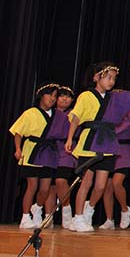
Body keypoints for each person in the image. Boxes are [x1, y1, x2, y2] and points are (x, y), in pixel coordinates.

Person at [65, 63, 130, 232]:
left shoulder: (114, 97)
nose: (111, 81)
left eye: (114, 78)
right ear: (96, 77)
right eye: (108, 77)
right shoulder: (86, 96)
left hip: (108, 142)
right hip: (90, 140)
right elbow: (76, 118)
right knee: (86, 182)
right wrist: (70, 138)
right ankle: (77, 217)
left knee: (100, 185)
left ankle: (89, 209)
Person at [10, 83, 61, 229]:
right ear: (41, 96)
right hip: (33, 150)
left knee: (45, 188)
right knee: (32, 186)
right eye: (49, 95)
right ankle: (25, 216)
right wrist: (18, 149)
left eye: (54, 96)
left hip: (49, 153)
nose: (52, 98)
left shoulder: (57, 116)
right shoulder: (30, 113)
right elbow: (18, 132)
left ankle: (37, 208)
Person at [99, 89, 130, 230]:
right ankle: (109, 219)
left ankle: (125, 210)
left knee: (117, 182)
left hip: (124, 151)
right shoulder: (109, 114)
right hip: (109, 149)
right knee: (107, 186)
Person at [44, 85, 76, 229]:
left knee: (61, 180)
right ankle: (48, 216)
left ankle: (67, 210)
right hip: (50, 150)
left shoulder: (74, 115)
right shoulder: (48, 113)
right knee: (50, 186)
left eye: (68, 96)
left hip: (66, 150)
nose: (64, 99)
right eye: (61, 95)